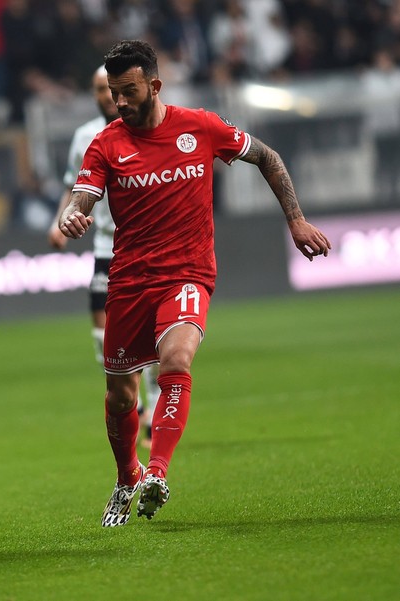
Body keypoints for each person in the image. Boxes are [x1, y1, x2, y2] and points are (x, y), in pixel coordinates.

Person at [59, 40, 331, 527]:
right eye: (113, 93)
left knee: (177, 359)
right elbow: (81, 197)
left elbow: (268, 158)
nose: (119, 103)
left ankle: (157, 472)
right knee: (121, 396)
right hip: (129, 281)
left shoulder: (201, 127)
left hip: (188, 273)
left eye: (128, 91)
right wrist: (74, 217)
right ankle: (126, 477)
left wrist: (296, 220)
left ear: (155, 85)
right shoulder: (106, 143)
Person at [48, 65, 160, 449]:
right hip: (104, 246)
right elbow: (71, 187)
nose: (106, 97)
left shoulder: (147, 128)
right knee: (103, 336)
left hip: (144, 247)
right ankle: (140, 408)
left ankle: (157, 406)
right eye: (99, 90)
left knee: (154, 336)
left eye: (108, 89)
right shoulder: (85, 137)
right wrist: (58, 221)